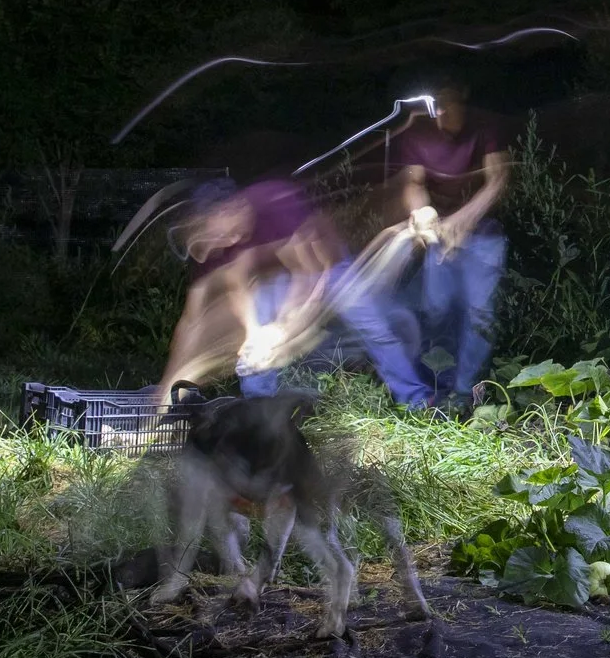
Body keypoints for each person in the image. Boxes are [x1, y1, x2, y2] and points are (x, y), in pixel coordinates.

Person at [156, 176, 423, 406]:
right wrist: (253, 332)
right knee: (254, 348)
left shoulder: (274, 202)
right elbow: (239, 284)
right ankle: (258, 408)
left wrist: (287, 327)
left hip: (328, 268)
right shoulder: (228, 238)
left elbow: (308, 275)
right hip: (279, 279)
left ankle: (417, 400)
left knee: (375, 329)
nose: (221, 242)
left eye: (217, 231)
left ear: (229, 209)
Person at [391, 79, 511, 412]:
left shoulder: (485, 125)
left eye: (448, 102)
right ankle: (438, 388)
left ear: (464, 96)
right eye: (436, 105)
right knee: (436, 309)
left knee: (479, 314)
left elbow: (498, 178)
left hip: (483, 235)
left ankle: (467, 394)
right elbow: (414, 182)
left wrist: (466, 218)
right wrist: (421, 211)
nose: (442, 112)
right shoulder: (418, 132)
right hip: (440, 236)